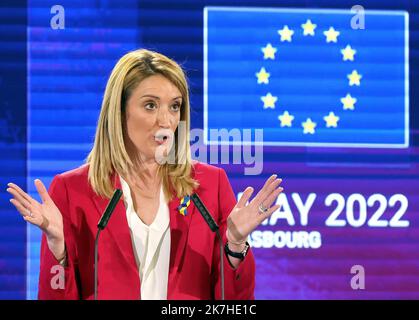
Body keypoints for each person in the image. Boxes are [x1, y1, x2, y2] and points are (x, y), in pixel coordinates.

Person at [7, 49, 283, 300]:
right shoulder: (71, 190)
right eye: (150, 105)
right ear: (120, 111)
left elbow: (234, 302)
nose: (166, 120)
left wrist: (235, 246)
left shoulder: (209, 186)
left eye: (174, 106)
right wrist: (59, 252)